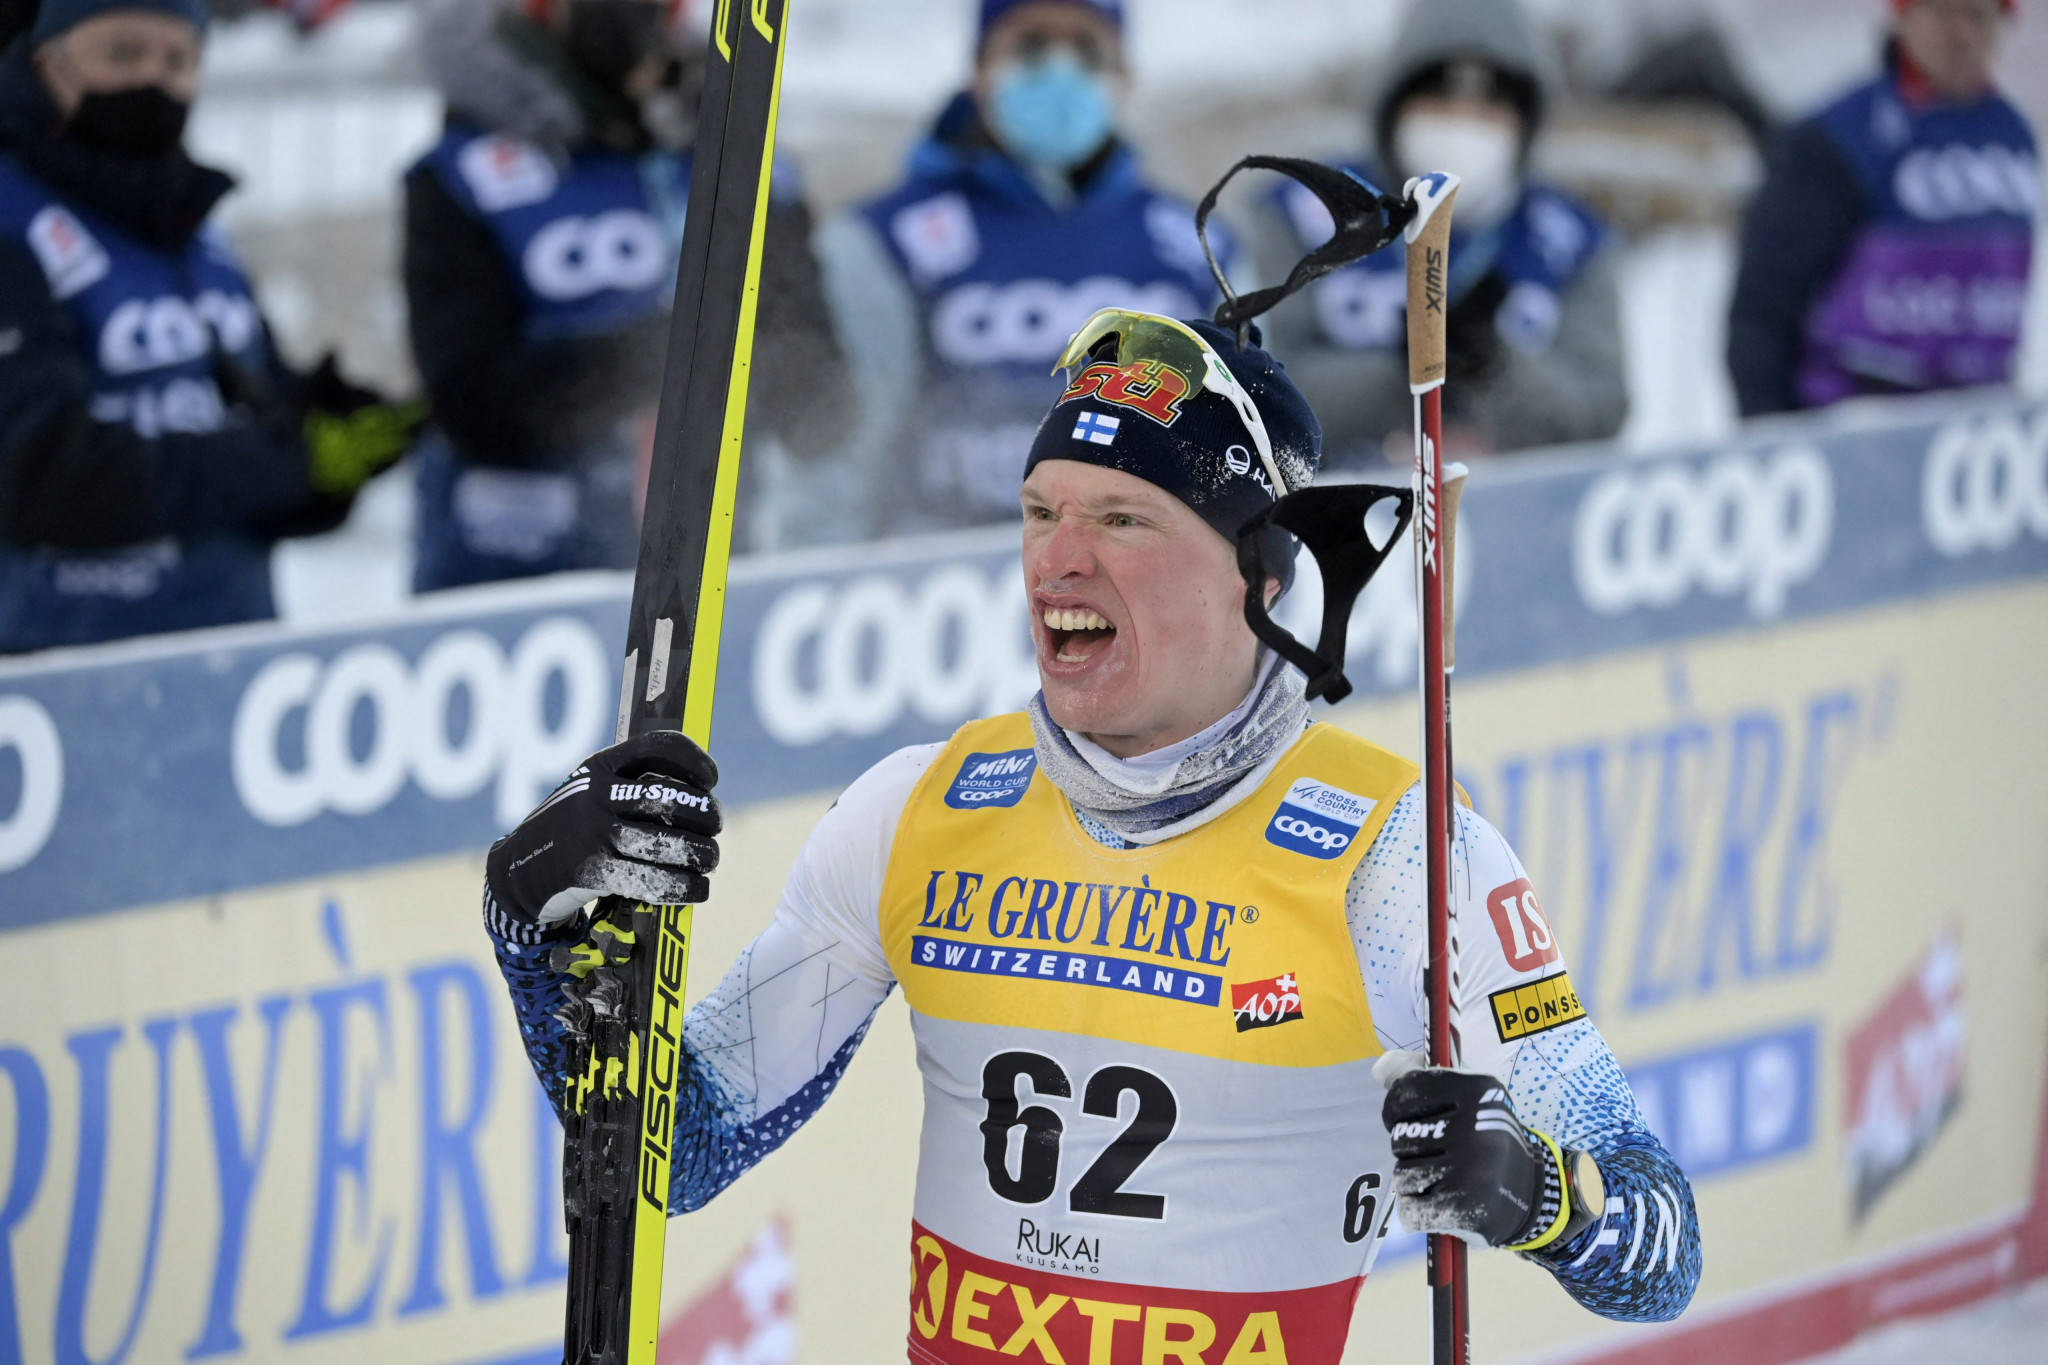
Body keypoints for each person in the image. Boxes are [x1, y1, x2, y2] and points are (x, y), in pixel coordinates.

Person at [482, 309, 1702, 1360]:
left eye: (1125, 520)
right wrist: (539, 936)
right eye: (1039, 509)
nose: (1058, 560)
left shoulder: (1397, 857)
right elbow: (674, 1148)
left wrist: (1547, 1202)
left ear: (1260, 573)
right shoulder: (917, 811)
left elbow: (1660, 1246)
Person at [0, 0, 419, 652]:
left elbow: (251, 423)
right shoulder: (12, 217)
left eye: (179, 60)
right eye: (121, 52)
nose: (153, 80)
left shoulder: (194, 229)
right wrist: (284, 464)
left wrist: (324, 440)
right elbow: (41, 473)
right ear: (43, 62)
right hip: (56, 676)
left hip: (228, 666)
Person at [404, 0, 850, 588]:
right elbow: (474, 403)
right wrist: (660, 356)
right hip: (509, 588)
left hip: (700, 598)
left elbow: (821, 417)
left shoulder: (740, 169)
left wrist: (773, 349)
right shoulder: (465, 177)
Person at [820, 0, 1232, 538]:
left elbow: (1247, 454)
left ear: (1124, 78)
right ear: (980, 70)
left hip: (1146, 586)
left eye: (1087, 50)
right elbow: (832, 467)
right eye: (1031, 45)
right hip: (936, 576)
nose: (1060, 69)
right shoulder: (885, 242)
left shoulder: (1199, 248)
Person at [1249, 0, 1628, 466]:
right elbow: (1254, 391)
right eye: (1439, 99)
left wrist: (1496, 368)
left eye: (1490, 108)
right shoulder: (1307, 212)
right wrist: (1398, 373)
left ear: (1525, 121)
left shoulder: (1570, 240)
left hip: (1514, 520)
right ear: (1394, 105)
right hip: (1335, 519)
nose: (1462, 124)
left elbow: (1603, 410)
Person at [1726, 0, 2035, 416]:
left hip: (1975, 424)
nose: (1963, 35)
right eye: (1944, 13)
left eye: (1979, 16)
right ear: (1904, 16)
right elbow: (1762, 311)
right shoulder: (1837, 140)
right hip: (1854, 421)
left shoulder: (2014, 136)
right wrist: (1772, 435)